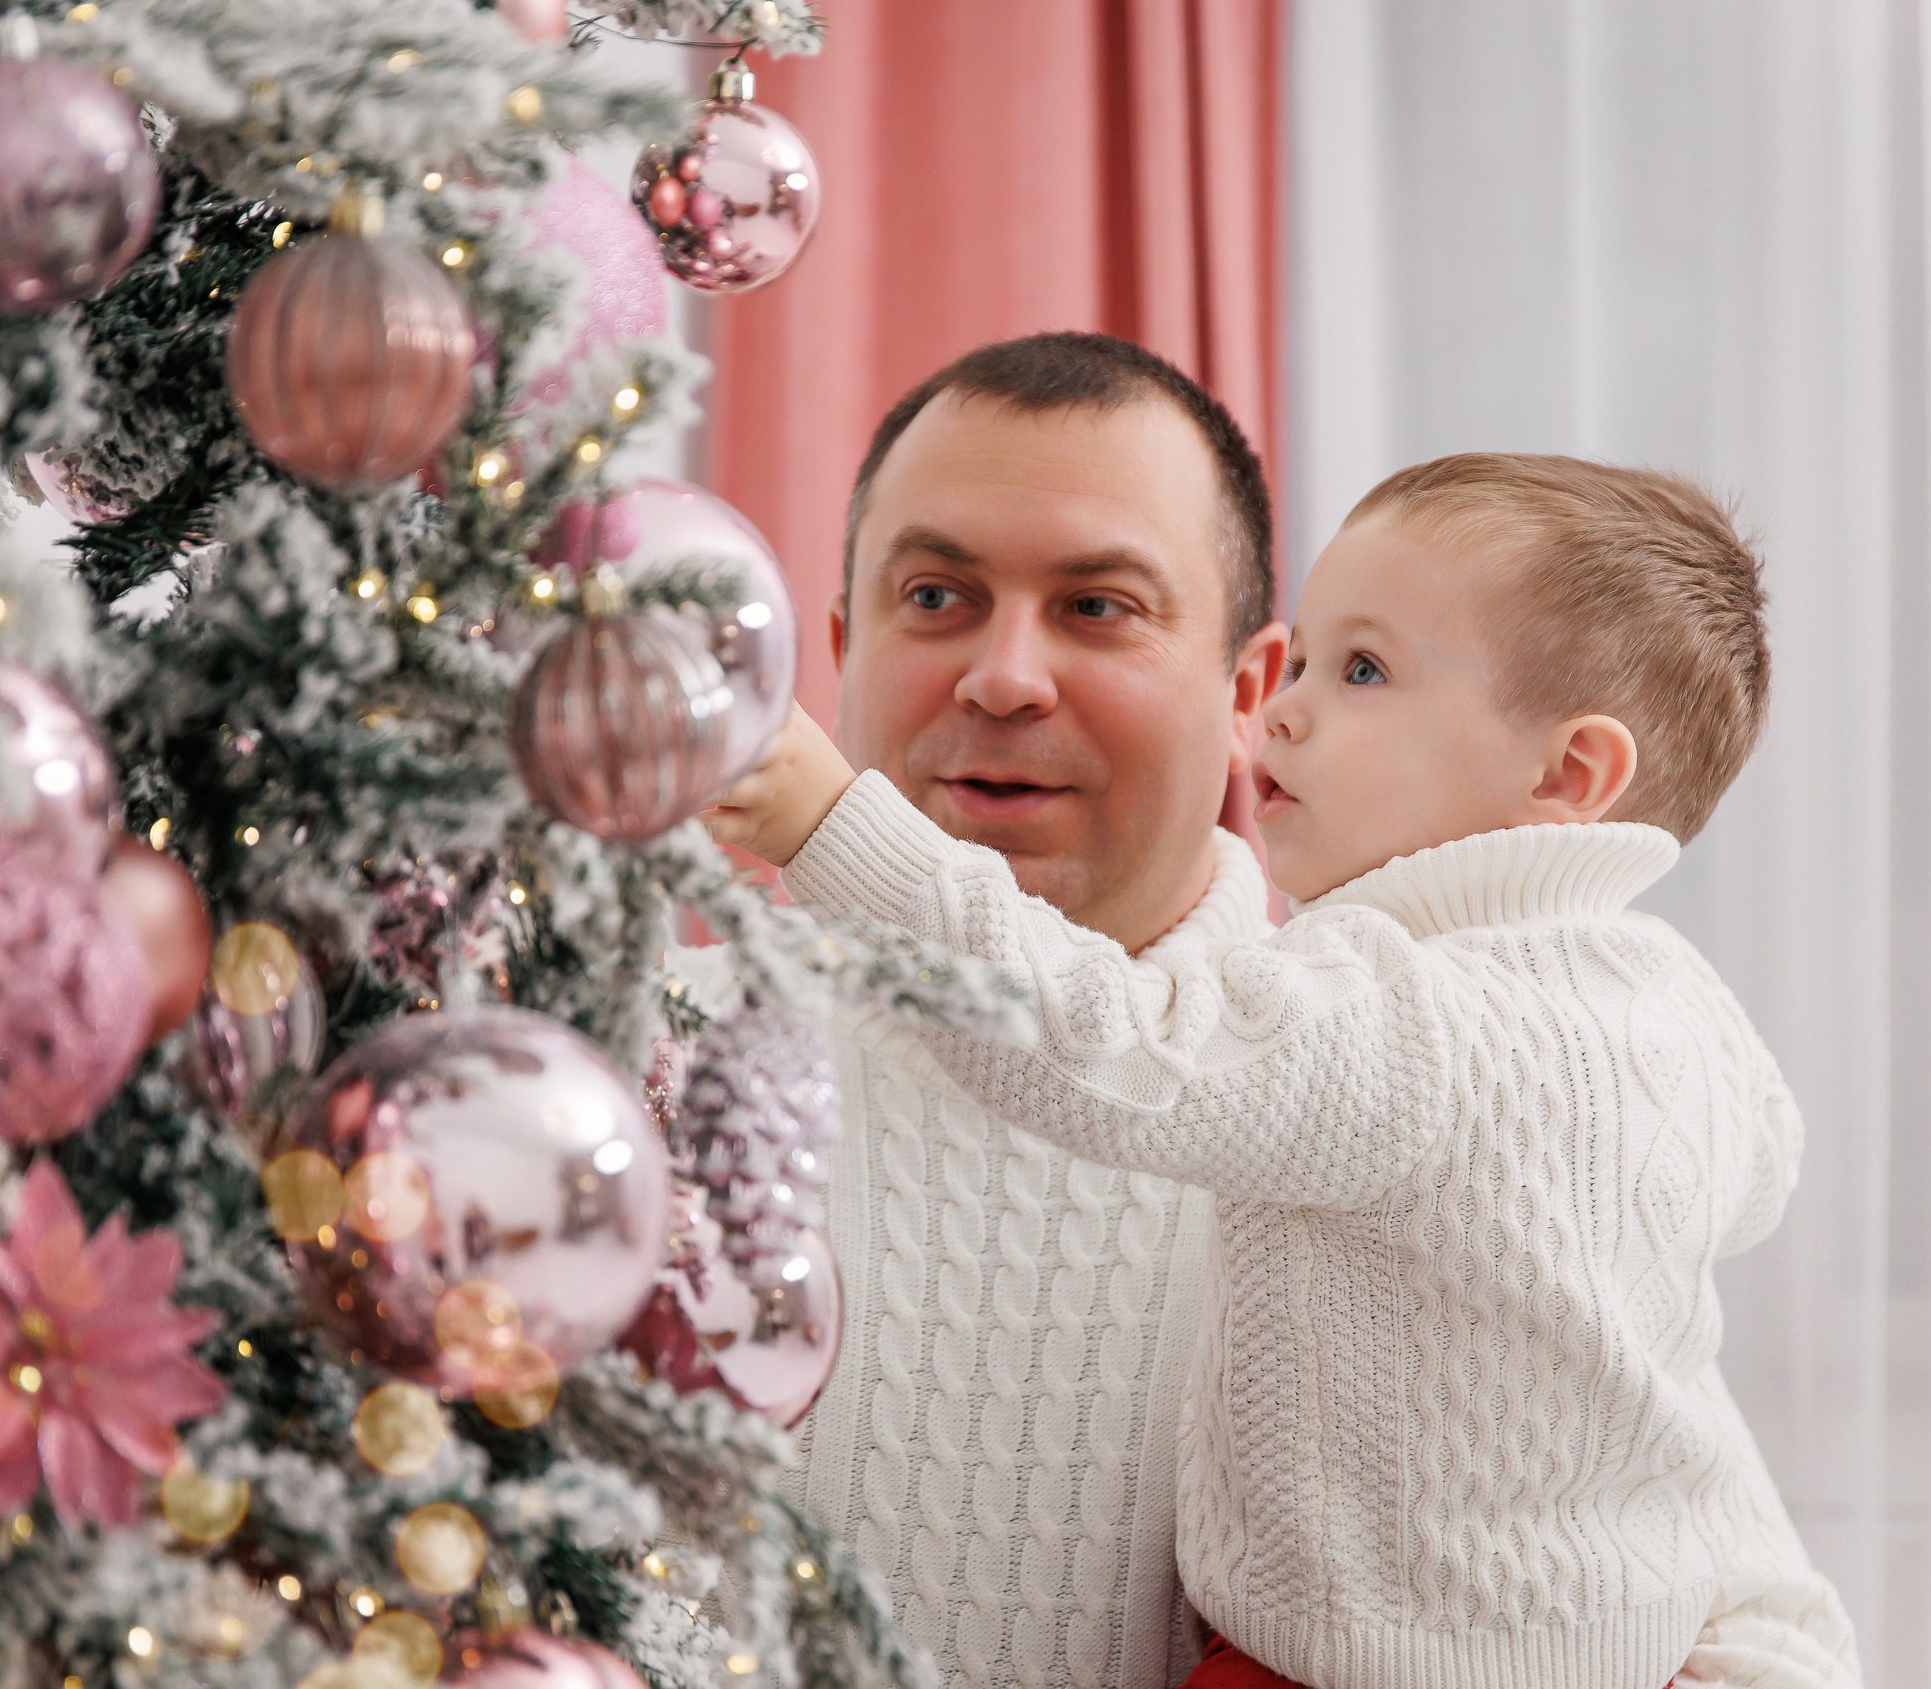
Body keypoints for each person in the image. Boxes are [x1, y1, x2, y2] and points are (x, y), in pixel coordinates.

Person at [710, 453, 1865, 1689]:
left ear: (1568, 776)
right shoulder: (1680, 1021)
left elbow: (1110, 1039)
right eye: (1309, 662)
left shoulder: (1401, 1023)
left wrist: (832, 824)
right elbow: (1750, 1198)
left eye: (1360, 671)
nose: (1289, 716)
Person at [714, 332, 1291, 1689]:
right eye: (937, 595)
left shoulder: (1388, 1097)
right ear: (843, 648)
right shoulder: (630, 1057)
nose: (1004, 676)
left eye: (1098, 606)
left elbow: (1723, 1607)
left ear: (1248, 692)